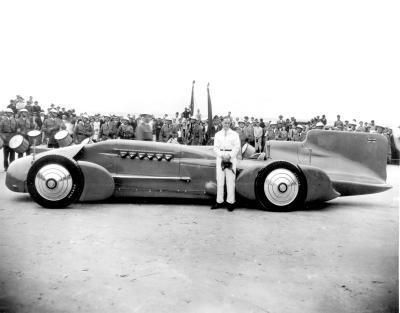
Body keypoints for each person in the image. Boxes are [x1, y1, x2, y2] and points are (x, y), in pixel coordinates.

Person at [211, 116, 241, 212]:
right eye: (224, 122)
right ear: (221, 123)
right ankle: (219, 202)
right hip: (220, 158)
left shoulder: (235, 134)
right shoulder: (218, 134)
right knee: (220, 180)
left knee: (230, 181)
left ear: (230, 123)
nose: (226, 124)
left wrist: (229, 155)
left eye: (228, 123)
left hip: (231, 158)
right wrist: (222, 155)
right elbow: (215, 148)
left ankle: (230, 202)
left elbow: (237, 147)